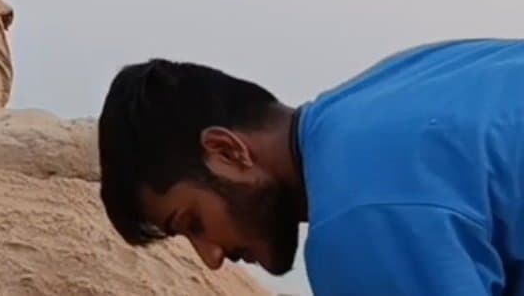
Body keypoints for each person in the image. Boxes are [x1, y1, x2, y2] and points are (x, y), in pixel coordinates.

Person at [97, 38, 523, 295]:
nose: (210, 257)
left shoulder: (357, 216)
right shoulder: (402, 83)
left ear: (228, 152)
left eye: (193, 222)